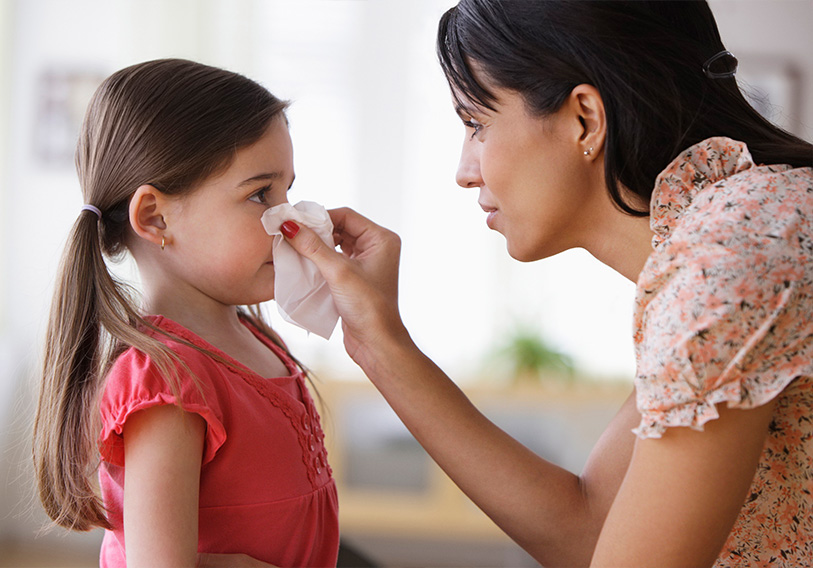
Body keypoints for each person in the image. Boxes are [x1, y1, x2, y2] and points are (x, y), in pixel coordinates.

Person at [279, 1, 813, 566]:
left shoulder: (727, 257)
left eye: (476, 124)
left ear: (585, 118)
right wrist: (376, 341)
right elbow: (591, 528)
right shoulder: (745, 224)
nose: (464, 171)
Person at [32, 59, 339, 567]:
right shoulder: (167, 381)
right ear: (155, 217)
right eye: (260, 194)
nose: (290, 219)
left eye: (287, 190)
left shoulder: (252, 337)